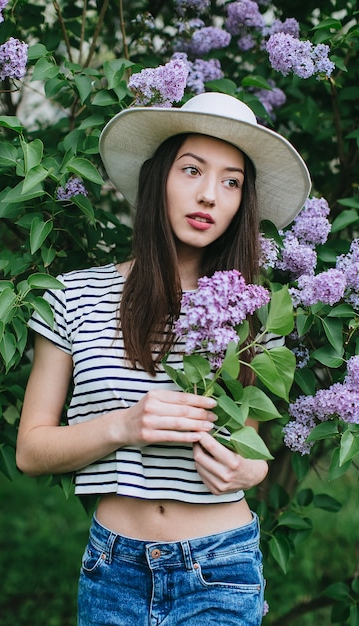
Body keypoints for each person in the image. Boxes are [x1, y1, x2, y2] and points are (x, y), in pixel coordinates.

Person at [16, 92, 311, 625]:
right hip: (115, 569)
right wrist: (124, 425)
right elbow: (32, 451)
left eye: (231, 182)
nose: (209, 196)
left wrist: (249, 469)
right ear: (158, 178)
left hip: (220, 565)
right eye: (192, 170)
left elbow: (251, 451)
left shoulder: (251, 312)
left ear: (243, 202)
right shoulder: (74, 297)